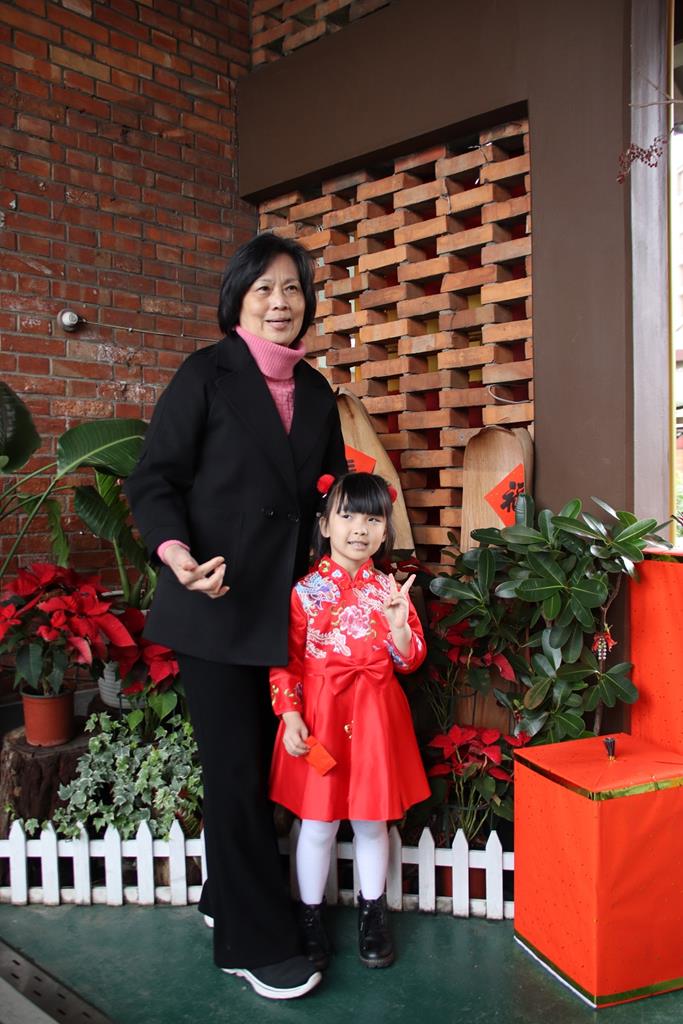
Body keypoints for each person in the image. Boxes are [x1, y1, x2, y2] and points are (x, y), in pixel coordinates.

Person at [124, 233, 347, 1000]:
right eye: (263, 289)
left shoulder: (316, 393)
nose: (280, 302)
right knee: (235, 772)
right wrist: (175, 554)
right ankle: (254, 942)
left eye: (292, 288)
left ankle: (224, 896)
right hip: (212, 605)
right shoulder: (205, 373)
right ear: (237, 300)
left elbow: (328, 494)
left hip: (288, 613)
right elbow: (153, 479)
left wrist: (351, 571)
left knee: (263, 764)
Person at [269, 472, 429, 972]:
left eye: (373, 519)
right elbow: (285, 660)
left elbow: (410, 661)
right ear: (324, 524)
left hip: (377, 717)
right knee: (317, 822)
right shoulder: (303, 592)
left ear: (385, 531)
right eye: (348, 516)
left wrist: (400, 626)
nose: (360, 528)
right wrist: (290, 714)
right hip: (321, 714)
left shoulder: (391, 590)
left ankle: (372, 913)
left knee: (371, 822)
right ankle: (309, 915)